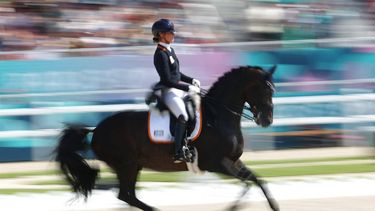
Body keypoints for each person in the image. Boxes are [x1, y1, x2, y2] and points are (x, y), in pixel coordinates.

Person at [151, 18, 201, 163]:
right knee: (183, 116)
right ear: (160, 34)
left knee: (198, 104)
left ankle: (189, 143)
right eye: (170, 33)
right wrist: (187, 87)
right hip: (169, 92)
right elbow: (167, 80)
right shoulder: (160, 54)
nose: (173, 35)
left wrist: (191, 80)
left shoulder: (170, 50)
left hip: (178, 89)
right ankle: (178, 151)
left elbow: (177, 75)